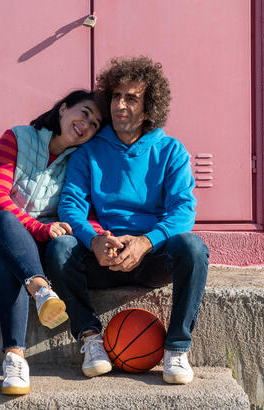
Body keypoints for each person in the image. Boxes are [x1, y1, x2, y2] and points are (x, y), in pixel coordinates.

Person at [45, 57, 209, 384]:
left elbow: (183, 212)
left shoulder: (171, 151)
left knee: (193, 247)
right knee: (60, 247)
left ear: (149, 109)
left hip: (152, 256)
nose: (120, 105)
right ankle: (91, 340)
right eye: (116, 96)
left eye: (131, 99)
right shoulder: (88, 152)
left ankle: (176, 349)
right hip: (102, 255)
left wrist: (146, 242)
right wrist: (94, 241)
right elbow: (71, 207)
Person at [0, 90, 105, 395]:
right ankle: (41, 289)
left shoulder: (77, 163)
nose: (86, 124)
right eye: (84, 112)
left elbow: (78, 211)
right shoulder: (18, 137)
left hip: (17, 259)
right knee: (5, 219)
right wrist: (39, 228)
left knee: (6, 260)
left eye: (94, 124)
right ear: (64, 109)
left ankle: (15, 360)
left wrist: (100, 237)